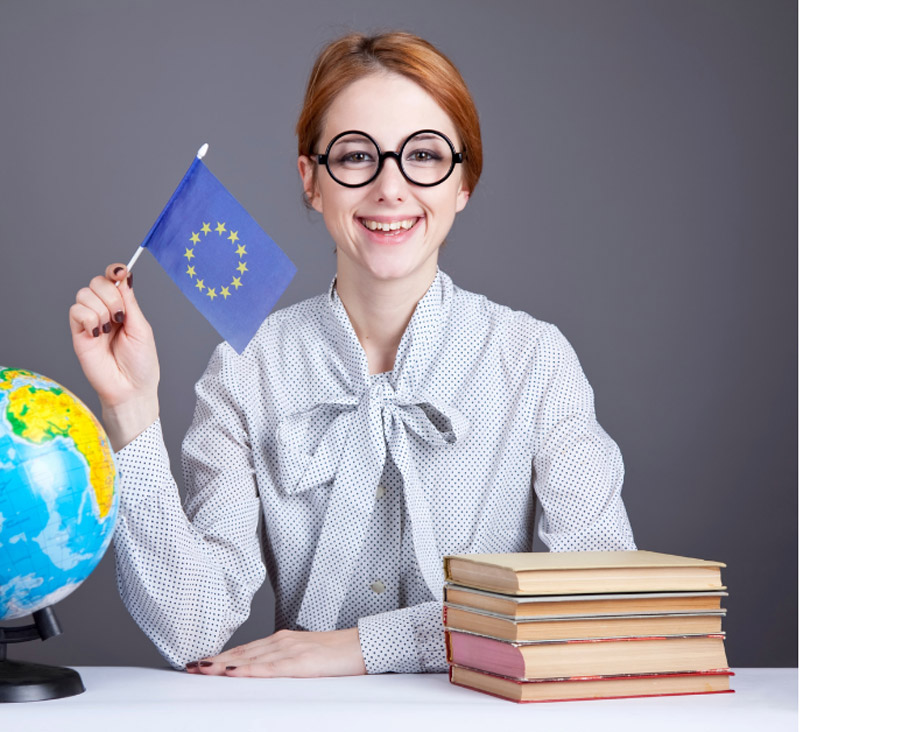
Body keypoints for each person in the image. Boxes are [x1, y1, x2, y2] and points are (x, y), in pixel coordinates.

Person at [68, 31, 635, 678]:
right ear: (311, 181)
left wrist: (363, 646)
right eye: (357, 156)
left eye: (423, 155)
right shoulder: (246, 372)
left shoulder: (535, 361)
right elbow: (188, 624)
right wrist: (131, 410)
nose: (390, 188)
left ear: (464, 182)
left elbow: (594, 600)